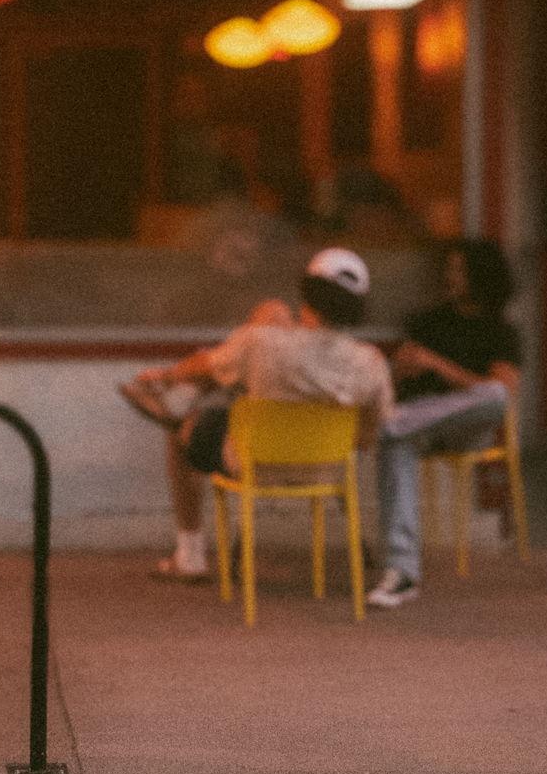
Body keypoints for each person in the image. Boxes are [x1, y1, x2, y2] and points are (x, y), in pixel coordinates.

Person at [119, 247, 392, 584]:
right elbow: (370, 434)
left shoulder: (261, 343)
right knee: (272, 314)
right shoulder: (372, 362)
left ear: (306, 293)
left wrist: (168, 374)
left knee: (181, 428)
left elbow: (206, 363)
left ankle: (189, 555)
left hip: (256, 461)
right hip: (329, 469)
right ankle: (194, 397)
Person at [365, 237, 522, 610]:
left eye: (459, 271)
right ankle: (402, 573)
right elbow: (391, 383)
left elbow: (502, 389)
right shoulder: (428, 321)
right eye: (449, 270)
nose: (451, 278)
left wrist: (438, 366)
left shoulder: (500, 330)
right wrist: (400, 371)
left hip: (465, 426)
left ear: (481, 277)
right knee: (398, 438)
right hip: (419, 424)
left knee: (495, 395)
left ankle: (397, 423)